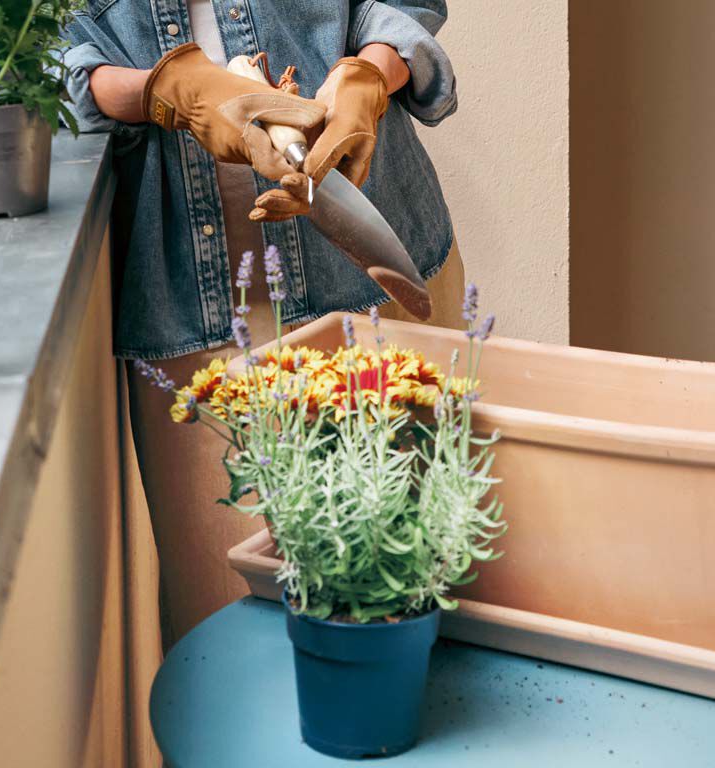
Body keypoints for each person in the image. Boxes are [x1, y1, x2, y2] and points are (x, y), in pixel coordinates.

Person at [64, 1, 465, 646]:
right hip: (195, 317)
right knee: (233, 631)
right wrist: (162, 91)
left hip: (367, 273)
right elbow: (43, 60)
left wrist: (369, 74)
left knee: (418, 605)